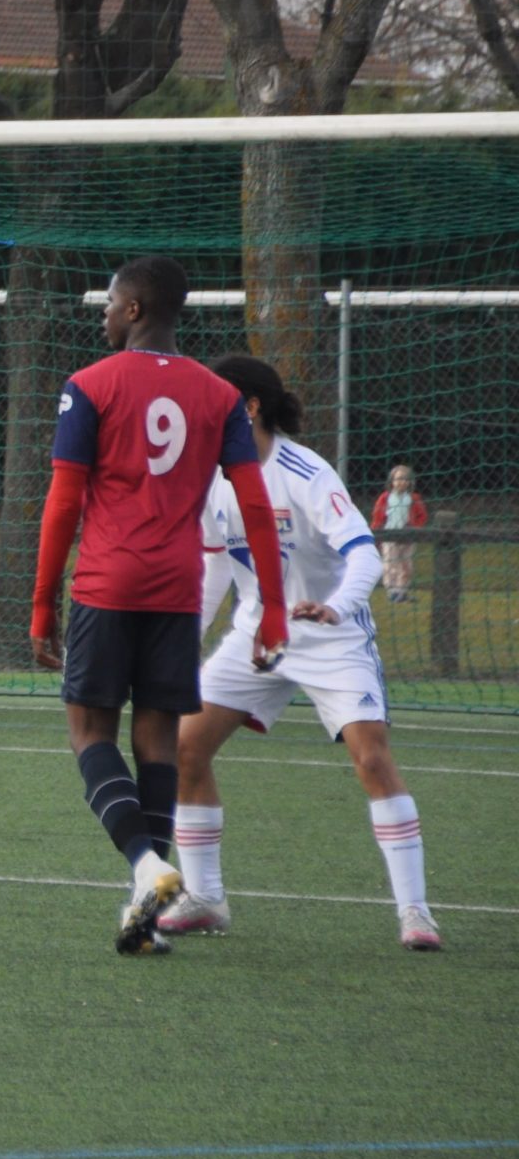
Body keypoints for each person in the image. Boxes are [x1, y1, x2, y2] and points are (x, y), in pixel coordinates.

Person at [30, 255, 289, 955]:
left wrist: (41, 605)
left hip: (108, 586)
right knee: (157, 747)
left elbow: (62, 505)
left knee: (89, 734)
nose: (105, 314)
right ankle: (143, 917)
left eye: (112, 303)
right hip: (176, 594)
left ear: (137, 310)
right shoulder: (219, 397)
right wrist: (272, 609)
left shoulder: (89, 385)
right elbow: (256, 507)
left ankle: (147, 866)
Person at [161, 357, 442, 951]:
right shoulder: (212, 477)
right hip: (257, 636)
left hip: (331, 636)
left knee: (372, 758)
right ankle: (207, 899)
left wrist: (337, 607)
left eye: (213, 401)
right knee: (185, 747)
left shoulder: (304, 471)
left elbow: (365, 554)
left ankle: (416, 914)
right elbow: (213, 567)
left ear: (250, 407)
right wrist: (181, 642)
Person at [372, 464, 428, 604]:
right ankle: (392, 592)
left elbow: (422, 516)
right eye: (398, 479)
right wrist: (376, 533)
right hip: (389, 535)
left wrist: (415, 529)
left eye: (405, 479)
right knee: (390, 565)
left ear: (410, 482)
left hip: (407, 536)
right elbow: (378, 516)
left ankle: (402, 592)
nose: (401, 482)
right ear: (392, 481)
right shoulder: (385, 498)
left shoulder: (413, 498)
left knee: (406, 565)